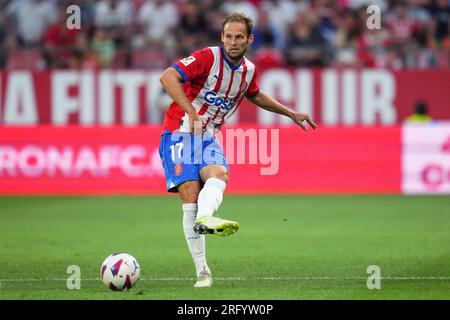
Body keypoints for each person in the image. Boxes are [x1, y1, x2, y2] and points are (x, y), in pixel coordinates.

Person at [159, 12, 317, 288]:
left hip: (207, 136)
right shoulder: (208, 57)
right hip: (179, 131)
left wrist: (290, 112)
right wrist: (191, 112)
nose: (233, 42)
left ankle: (206, 218)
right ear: (222, 37)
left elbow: (253, 94)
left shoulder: (249, 71)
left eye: (239, 37)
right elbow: (168, 77)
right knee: (190, 195)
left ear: (249, 40)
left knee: (219, 174)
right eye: (228, 36)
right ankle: (203, 272)